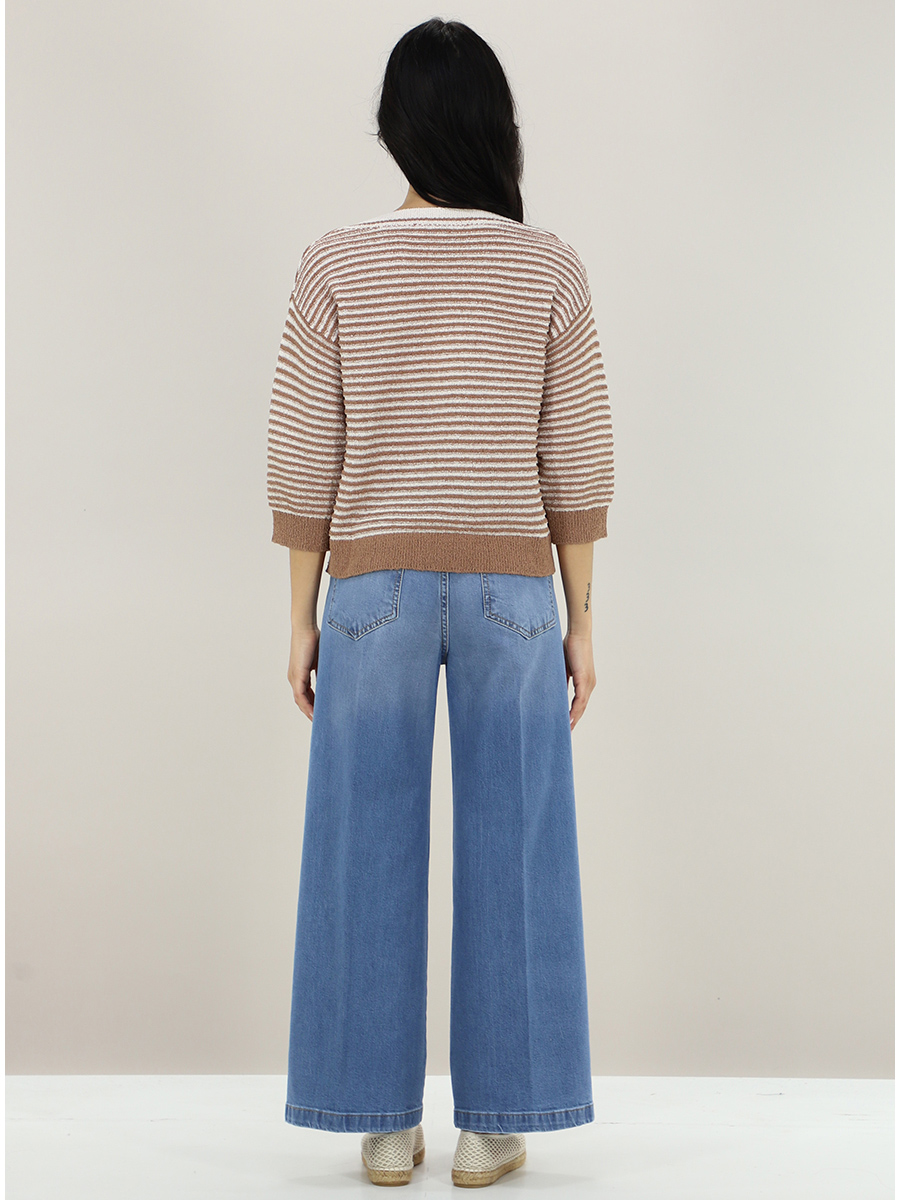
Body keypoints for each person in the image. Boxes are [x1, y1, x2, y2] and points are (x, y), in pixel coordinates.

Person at [266, 17, 614, 1189]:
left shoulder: (335, 262)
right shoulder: (547, 263)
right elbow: (579, 452)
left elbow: (303, 446)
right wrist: (583, 618)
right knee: (519, 841)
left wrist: (301, 613)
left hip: (370, 586)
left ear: (392, 130)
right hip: (517, 587)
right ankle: (495, 1124)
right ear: (496, 129)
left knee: (361, 839)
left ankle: (380, 1123)